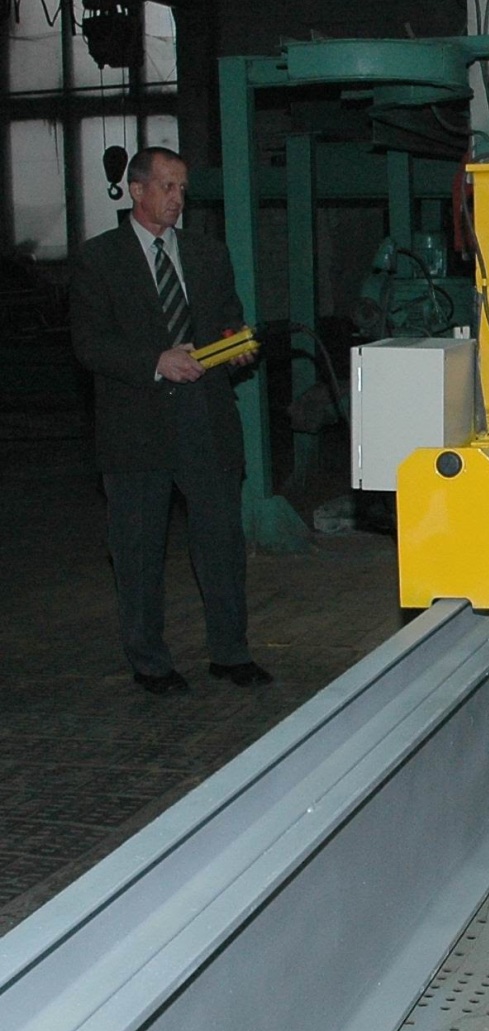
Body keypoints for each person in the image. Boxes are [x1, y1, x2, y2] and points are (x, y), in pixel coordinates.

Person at [70, 146, 272, 695]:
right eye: (167, 186)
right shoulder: (99, 259)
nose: (178, 198)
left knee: (221, 544)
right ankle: (150, 663)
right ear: (137, 190)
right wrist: (156, 361)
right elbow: (89, 344)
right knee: (138, 550)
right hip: (136, 427)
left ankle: (230, 653)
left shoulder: (208, 254)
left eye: (183, 188)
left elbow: (227, 319)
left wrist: (235, 345)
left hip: (205, 419)